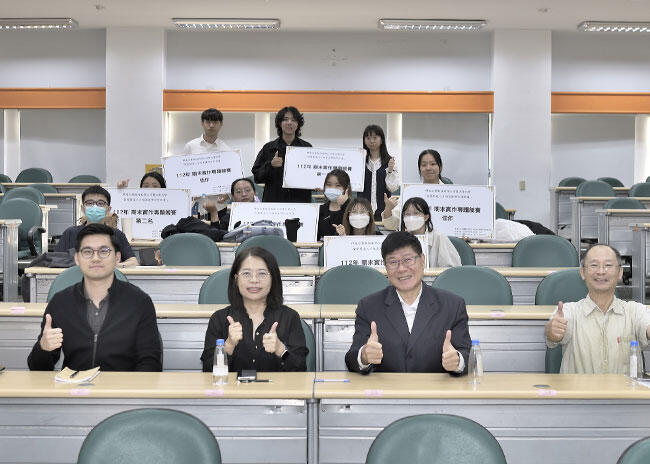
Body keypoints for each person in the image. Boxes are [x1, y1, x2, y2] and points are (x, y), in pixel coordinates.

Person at [27, 223, 162, 371]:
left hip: (123, 384)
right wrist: (43, 348)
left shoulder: (139, 303)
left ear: (117, 257)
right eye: (87, 252)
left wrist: (127, 386)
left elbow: (151, 363)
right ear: (77, 258)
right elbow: (37, 368)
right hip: (74, 384)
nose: (96, 258)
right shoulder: (61, 303)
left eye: (104, 251)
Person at [344, 231, 471, 374]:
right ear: (385, 267)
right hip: (387, 387)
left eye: (408, 260)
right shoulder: (368, 306)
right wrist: (364, 356)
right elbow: (351, 358)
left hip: (435, 387)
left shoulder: (452, 305)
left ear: (422, 260)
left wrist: (457, 361)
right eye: (393, 262)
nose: (401, 269)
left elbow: (466, 354)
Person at [545, 244, 650, 374]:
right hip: (580, 387)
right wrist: (552, 330)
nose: (601, 271)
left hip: (624, 388)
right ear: (582, 272)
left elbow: (647, 325)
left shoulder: (635, 311)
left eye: (608, 265)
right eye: (594, 265)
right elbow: (552, 332)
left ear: (620, 272)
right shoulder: (569, 311)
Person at [201, 247, 308, 372]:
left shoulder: (289, 317)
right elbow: (207, 370)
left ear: (273, 278)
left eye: (262, 273)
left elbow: (300, 369)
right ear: (236, 279)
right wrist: (228, 345)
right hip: (232, 386)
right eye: (246, 273)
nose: (254, 280)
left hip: (277, 386)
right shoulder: (219, 319)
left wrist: (281, 350)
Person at [55, 186, 138, 267]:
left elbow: (133, 261)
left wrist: (115, 266)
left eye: (100, 203)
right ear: (83, 208)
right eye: (89, 203)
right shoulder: (70, 233)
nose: (95, 207)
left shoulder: (117, 234)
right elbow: (55, 260)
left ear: (108, 209)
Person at [251, 106, 312, 203]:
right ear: (279, 123)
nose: (289, 123)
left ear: (298, 124)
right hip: (274, 202)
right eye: (285, 119)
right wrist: (270, 165)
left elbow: (311, 176)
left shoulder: (306, 148)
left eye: (293, 120)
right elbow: (257, 177)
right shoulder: (269, 148)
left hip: (300, 201)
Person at [382, 149, 444, 230]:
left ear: (440, 167)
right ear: (420, 169)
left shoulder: (451, 194)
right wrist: (388, 209)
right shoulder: (410, 192)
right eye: (424, 165)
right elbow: (392, 225)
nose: (428, 168)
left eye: (433, 164)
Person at [393, 197, 460, 267]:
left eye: (416, 213)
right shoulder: (400, 239)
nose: (411, 218)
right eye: (407, 214)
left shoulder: (438, 237)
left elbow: (451, 268)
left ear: (426, 217)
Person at [359, 125, 399, 221]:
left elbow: (393, 188)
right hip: (362, 212)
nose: (371, 141)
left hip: (384, 212)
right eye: (368, 138)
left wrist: (390, 171)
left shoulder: (390, 161)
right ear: (364, 141)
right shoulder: (360, 160)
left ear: (381, 140)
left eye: (375, 137)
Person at [317, 169, 351, 240]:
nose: (332, 188)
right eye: (329, 185)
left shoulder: (353, 210)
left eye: (338, 185)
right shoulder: (319, 210)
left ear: (346, 188)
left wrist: (345, 204)